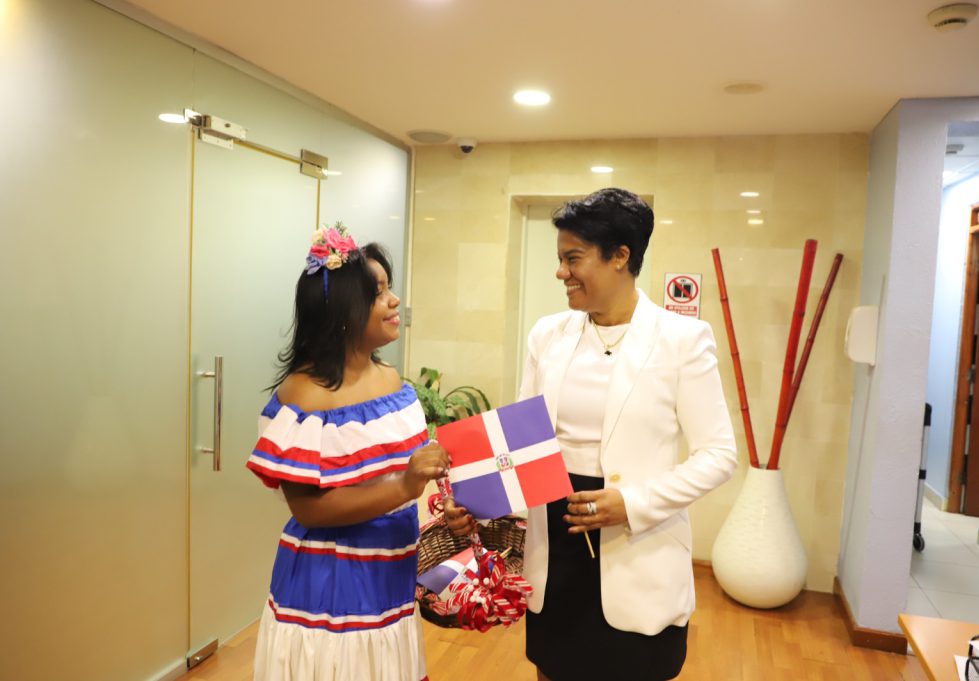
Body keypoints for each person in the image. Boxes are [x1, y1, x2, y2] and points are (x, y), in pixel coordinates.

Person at [447, 188, 737, 681]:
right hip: (554, 541)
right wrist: (476, 502)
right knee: (554, 669)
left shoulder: (682, 340)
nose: (562, 272)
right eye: (561, 259)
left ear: (621, 256)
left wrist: (632, 502)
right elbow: (522, 444)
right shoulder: (548, 335)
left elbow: (719, 454)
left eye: (573, 258)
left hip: (636, 540)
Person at [245, 223, 448, 681]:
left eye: (389, 289)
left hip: (390, 579)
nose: (394, 301)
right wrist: (405, 483)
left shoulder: (393, 382)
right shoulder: (304, 395)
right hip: (329, 592)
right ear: (342, 312)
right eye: (378, 294)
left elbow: (413, 478)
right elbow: (309, 510)